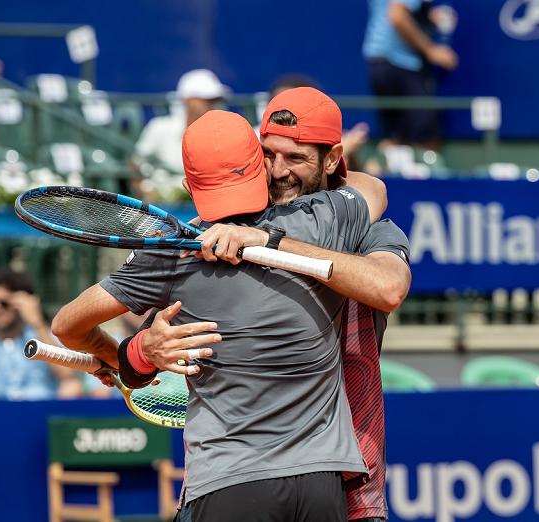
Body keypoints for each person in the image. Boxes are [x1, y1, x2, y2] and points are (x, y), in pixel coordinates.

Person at [52, 109, 410, 521]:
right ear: (262, 165)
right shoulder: (325, 220)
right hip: (321, 486)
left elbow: (67, 324)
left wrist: (128, 355)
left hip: (228, 483)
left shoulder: (172, 252)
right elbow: (371, 189)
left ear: (188, 185)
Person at [0, 268, 82, 400]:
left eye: (4, 303)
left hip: (42, 416)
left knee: (72, 386)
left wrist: (37, 324)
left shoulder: (47, 338)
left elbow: (68, 376)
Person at [362, 0, 458, 150]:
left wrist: (428, 17)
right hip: (400, 64)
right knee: (426, 139)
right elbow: (398, 16)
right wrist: (431, 50)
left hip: (381, 62)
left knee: (396, 137)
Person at [133, 68, 229, 199]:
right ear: (188, 100)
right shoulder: (160, 127)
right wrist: (145, 192)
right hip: (162, 205)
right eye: (206, 99)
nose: (212, 105)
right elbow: (136, 162)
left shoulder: (224, 133)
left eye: (214, 100)